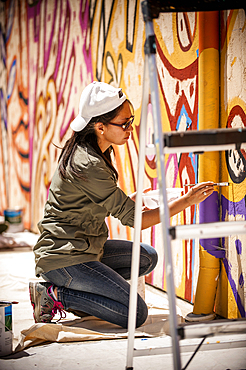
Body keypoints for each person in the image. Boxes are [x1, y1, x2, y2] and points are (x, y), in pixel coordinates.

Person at [29, 81, 214, 329]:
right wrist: (187, 201)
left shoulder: (95, 150)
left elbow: (101, 202)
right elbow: (137, 221)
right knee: (135, 314)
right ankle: (54, 295)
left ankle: (81, 296)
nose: (130, 128)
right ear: (100, 127)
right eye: (124, 123)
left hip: (86, 247)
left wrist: (130, 200)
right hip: (64, 257)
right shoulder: (89, 163)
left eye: (131, 120)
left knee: (146, 257)